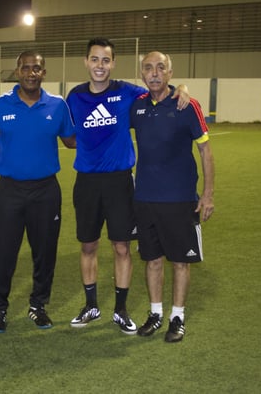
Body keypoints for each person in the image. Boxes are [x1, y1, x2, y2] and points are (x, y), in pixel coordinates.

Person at [65, 38, 189, 334]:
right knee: (88, 244)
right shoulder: (75, 96)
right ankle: (91, 305)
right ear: (86, 62)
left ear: (113, 64)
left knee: (122, 247)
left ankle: (120, 310)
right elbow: (67, 136)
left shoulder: (128, 93)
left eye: (105, 60)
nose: (100, 66)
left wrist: (181, 88)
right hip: (87, 182)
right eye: (94, 60)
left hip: (120, 182)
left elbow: (160, 89)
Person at [0, 50, 75, 333]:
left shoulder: (57, 106)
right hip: (9, 191)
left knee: (45, 252)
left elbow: (73, 141)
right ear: (17, 71)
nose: (31, 73)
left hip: (46, 191)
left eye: (36, 68)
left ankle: (38, 305)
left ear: (43, 72)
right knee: (2, 253)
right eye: (26, 68)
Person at [130, 51, 215, 342]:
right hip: (144, 199)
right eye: (148, 68)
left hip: (180, 200)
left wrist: (208, 194)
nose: (154, 73)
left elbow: (205, 150)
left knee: (181, 261)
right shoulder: (137, 106)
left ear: (170, 71)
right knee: (152, 260)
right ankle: (155, 314)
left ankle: (177, 317)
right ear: (141, 73)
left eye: (160, 67)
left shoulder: (187, 105)